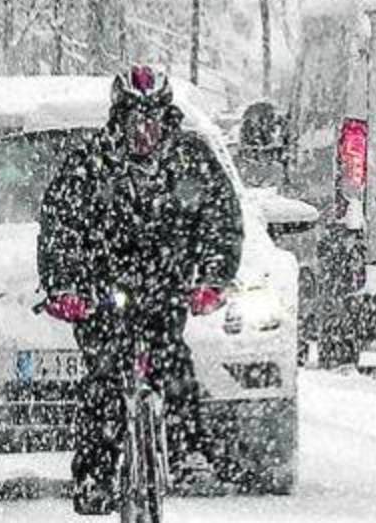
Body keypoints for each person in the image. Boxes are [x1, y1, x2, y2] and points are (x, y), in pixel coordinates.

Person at [37, 65, 243, 515]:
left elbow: (222, 224)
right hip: (103, 291)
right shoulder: (89, 165)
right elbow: (59, 230)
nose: (143, 130)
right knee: (105, 378)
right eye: (134, 118)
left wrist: (211, 280)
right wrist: (65, 287)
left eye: (152, 118)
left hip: (167, 285)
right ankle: (94, 475)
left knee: (173, 361)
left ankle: (188, 451)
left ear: (167, 118)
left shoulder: (193, 161)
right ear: (119, 118)